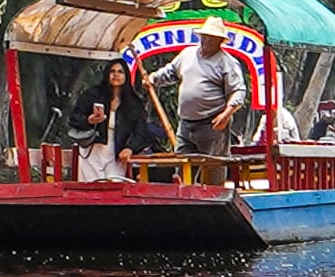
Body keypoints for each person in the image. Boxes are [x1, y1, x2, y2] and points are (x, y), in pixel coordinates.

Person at [144, 16, 246, 158]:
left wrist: (226, 114)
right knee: (182, 163)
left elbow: (238, 92)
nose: (207, 40)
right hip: (186, 123)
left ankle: (213, 182)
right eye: (205, 36)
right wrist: (153, 78)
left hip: (212, 123)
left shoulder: (227, 62)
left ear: (221, 41)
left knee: (213, 165)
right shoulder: (187, 54)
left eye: (212, 37)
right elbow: (170, 72)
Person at [69, 60, 149, 181]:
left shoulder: (134, 102)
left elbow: (141, 130)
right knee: (92, 188)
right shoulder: (93, 94)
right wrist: (89, 120)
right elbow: (74, 118)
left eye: (120, 72)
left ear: (126, 76)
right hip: (92, 149)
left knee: (115, 188)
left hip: (117, 151)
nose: (116, 75)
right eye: (112, 71)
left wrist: (130, 148)